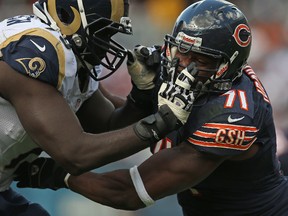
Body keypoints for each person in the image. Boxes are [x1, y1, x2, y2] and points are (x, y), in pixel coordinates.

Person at [14, 0, 288, 215]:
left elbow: (128, 192)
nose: (183, 63)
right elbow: (114, 123)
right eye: (180, 50)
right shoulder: (174, 65)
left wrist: (53, 174)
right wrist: (142, 97)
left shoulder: (232, 116)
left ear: (227, 66)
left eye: (199, 58)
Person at [0, 0, 190, 215]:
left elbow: (107, 126)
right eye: (103, 34)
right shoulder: (34, 51)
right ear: (67, 16)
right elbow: (75, 155)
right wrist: (159, 123)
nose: (107, 45)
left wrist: (143, 96)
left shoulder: (66, 49)